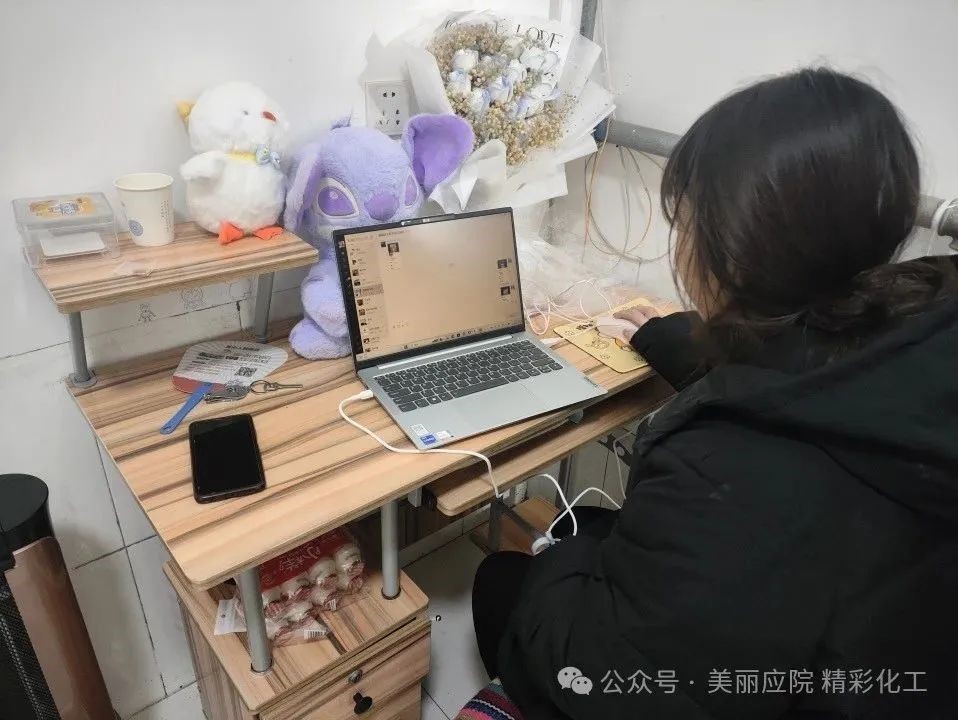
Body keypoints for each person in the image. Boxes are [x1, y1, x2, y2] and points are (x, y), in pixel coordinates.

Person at [472, 67, 958, 719]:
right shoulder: (920, 322)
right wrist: (669, 336)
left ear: (733, 248)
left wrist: (563, 553)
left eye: (688, 221)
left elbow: (597, 678)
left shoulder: (721, 472)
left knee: (501, 580)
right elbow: (804, 379)